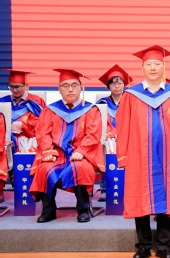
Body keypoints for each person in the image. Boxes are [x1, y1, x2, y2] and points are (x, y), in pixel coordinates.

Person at [116, 45, 170, 258]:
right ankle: (143, 246)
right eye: (148, 64)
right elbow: (123, 126)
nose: (153, 68)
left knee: (166, 197)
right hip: (138, 155)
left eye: (157, 64)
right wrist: (123, 155)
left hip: (168, 155)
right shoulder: (131, 95)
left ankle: (163, 246)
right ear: (142, 68)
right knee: (139, 197)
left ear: (164, 66)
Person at [29, 69, 103, 223]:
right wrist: (48, 151)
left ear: (81, 87)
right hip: (57, 154)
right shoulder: (50, 110)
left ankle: (82, 210)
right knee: (44, 168)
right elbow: (42, 132)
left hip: (81, 154)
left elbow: (93, 134)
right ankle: (49, 210)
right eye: (65, 85)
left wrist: (82, 151)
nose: (70, 89)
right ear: (59, 89)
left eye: (74, 85)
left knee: (80, 167)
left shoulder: (91, 110)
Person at [0, 69, 46, 200]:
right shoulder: (3, 101)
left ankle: (18, 179)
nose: (14, 90)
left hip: (28, 138)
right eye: (11, 86)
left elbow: (43, 123)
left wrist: (23, 125)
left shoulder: (36, 101)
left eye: (18, 86)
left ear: (26, 86)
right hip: (5, 139)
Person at [96, 65, 133, 201]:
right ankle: (106, 187)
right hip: (109, 139)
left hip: (129, 138)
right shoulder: (102, 103)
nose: (116, 86)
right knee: (107, 147)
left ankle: (130, 186)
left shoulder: (131, 101)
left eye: (120, 83)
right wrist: (112, 134)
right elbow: (100, 124)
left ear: (124, 84)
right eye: (113, 83)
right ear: (108, 86)